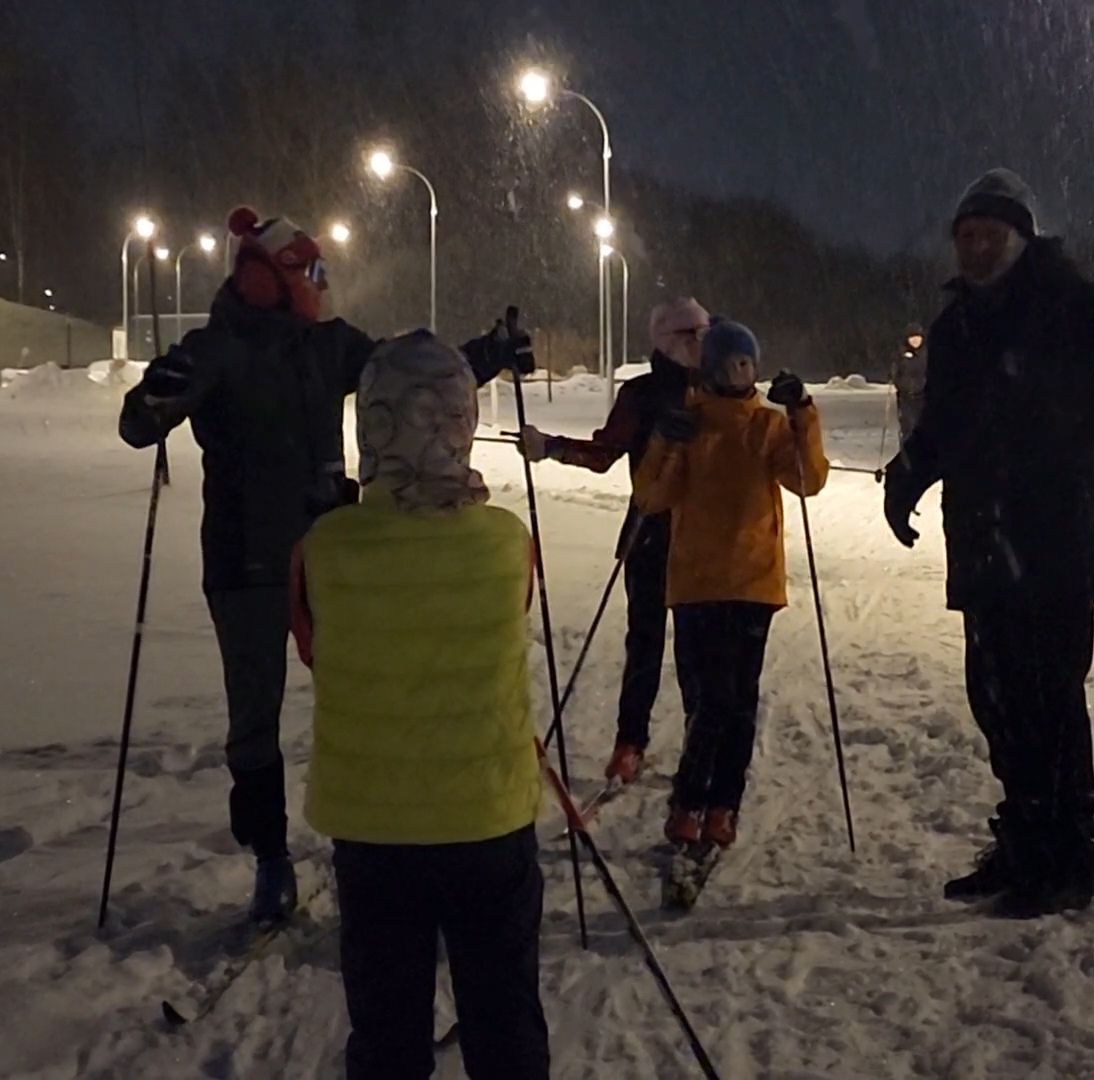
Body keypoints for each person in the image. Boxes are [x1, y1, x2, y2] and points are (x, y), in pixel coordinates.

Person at [117, 206, 532, 923]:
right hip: (246, 562)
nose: (322, 285)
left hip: (332, 556)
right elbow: (137, 424)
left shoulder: (330, 346)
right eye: (312, 272)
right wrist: (155, 395)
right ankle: (271, 856)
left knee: (362, 700)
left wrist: (489, 352)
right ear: (273, 275)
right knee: (255, 716)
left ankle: (366, 837)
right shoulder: (216, 349)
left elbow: (411, 373)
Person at [291, 333, 548, 1080]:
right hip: (487, 821)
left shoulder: (325, 547)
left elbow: (313, 644)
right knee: (505, 1025)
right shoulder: (506, 540)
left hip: (375, 832)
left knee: (387, 1033)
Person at [880, 169, 1094, 917]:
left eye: (988, 235)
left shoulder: (1069, 302)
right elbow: (946, 421)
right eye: (965, 236)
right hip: (985, 539)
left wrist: (1034, 396)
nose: (975, 248)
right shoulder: (957, 326)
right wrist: (909, 474)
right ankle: (1022, 838)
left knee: (1050, 696)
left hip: (1052, 537)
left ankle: (1067, 856)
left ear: (1019, 237)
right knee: (994, 695)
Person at [632, 319, 827, 849]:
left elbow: (808, 479)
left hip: (751, 583)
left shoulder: (766, 426)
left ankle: (716, 802)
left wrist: (801, 414)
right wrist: (663, 443)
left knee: (735, 700)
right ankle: (696, 798)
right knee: (709, 699)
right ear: (714, 368)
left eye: (748, 362)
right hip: (696, 583)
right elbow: (651, 498)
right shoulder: (691, 424)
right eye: (732, 363)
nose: (742, 372)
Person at [516, 298, 711, 784]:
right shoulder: (642, 394)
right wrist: (552, 448)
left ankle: (699, 737)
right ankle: (631, 740)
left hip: (704, 539)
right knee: (644, 641)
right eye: (691, 335)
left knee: (697, 648)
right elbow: (605, 452)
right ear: (667, 342)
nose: (700, 344)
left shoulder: (718, 389)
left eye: (705, 334)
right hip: (649, 532)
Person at [895, 321, 928, 442]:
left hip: (923, 397)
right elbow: (896, 373)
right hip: (906, 397)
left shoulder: (926, 354)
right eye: (912, 338)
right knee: (908, 427)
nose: (915, 341)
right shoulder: (901, 353)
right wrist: (899, 383)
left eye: (918, 338)